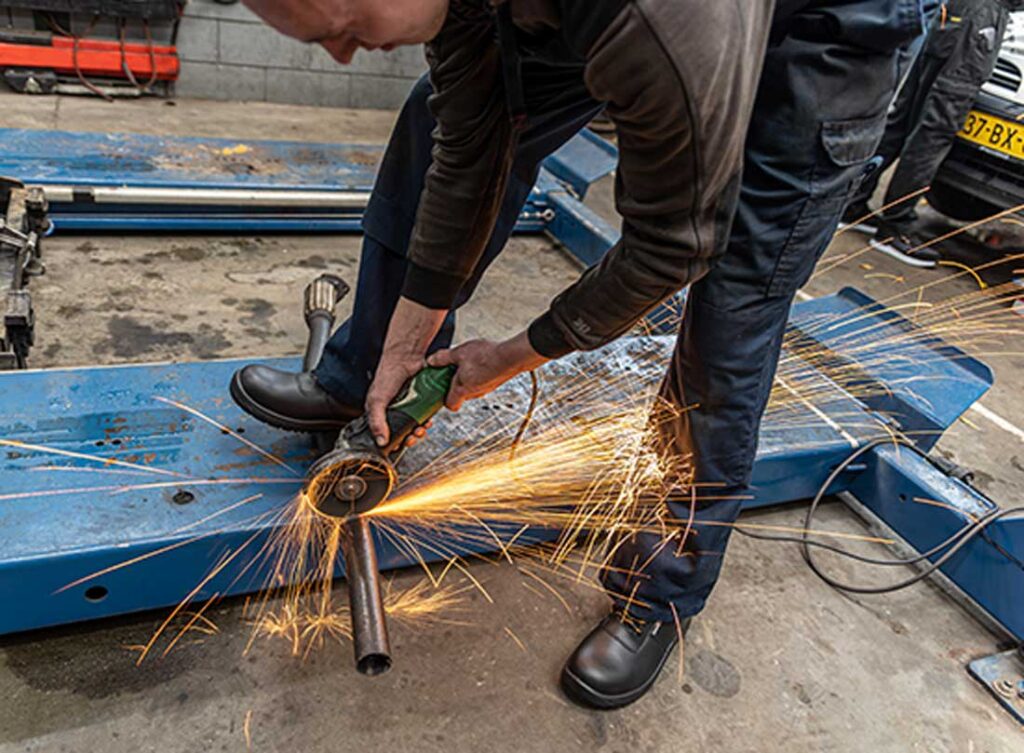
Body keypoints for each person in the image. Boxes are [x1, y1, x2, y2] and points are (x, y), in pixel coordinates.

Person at [232, 0, 929, 708]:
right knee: (436, 118)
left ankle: (659, 591)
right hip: (640, 28)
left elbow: (672, 245)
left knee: (732, 303)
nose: (342, 57)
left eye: (340, 31)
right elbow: (476, 148)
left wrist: (510, 355)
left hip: (819, 37)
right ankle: (367, 384)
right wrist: (405, 346)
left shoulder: (654, 20)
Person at [842, 0, 1021, 265]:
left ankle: (852, 202)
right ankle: (894, 226)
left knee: (903, 119)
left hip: (955, 12)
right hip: (981, 20)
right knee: (935, 132)